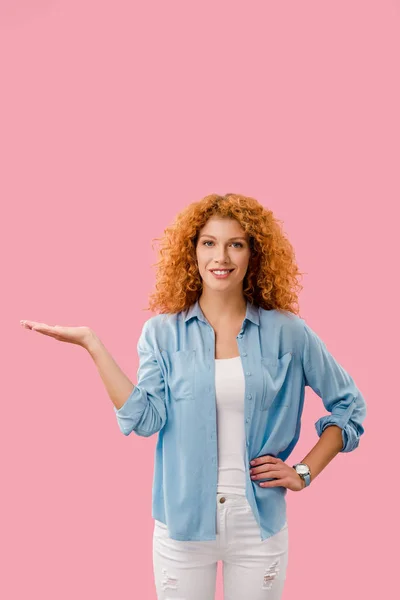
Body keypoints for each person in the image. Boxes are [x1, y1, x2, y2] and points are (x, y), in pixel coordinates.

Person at [20, 192, 367, 599]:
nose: (221, 256)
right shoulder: (161, 333)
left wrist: (304, 473)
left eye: (235, 243)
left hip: (257, 523)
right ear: (193, 251)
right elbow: (144, 420)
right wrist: (93, 345)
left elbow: (350, 406)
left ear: (253, 254)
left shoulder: (288, 332)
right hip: (181, 524)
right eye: (209, 243)